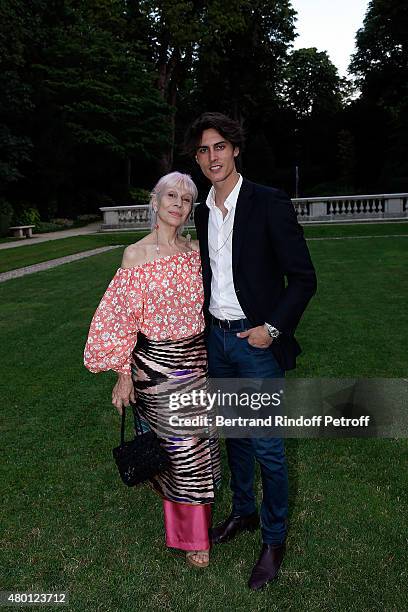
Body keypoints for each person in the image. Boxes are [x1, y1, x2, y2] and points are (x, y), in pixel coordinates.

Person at [184, 113, 317, 589]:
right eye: (202, 150)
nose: (211, 157)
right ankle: (244, 514)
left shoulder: (268, 202)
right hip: (216, 341)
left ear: (236, 149)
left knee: (267, 449)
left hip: (255, 342)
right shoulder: (202, 212)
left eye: (219, 147)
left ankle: (274, 538)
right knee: (235, 440)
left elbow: (304, 279)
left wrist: (273, 329)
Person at [84, 171, 221, 568]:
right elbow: (119, 320)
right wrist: (123, 374)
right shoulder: (136, 255)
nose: (178, 204)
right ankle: (193, 539)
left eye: (186, 199)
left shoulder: (197, 251)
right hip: (157, 371)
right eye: (171, 196)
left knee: (204, 449)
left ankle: (195, 529)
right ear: (156, 202)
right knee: (182, 453)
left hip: (198, 363)